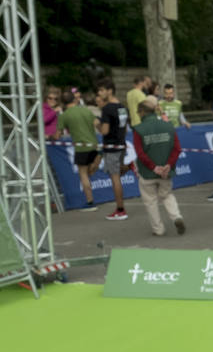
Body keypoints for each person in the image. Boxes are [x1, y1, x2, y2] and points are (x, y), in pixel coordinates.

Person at [130, 99, 185, 237]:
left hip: (147, 172)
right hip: (166, 172)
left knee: (150, 201)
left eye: (138, 111)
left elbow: (140, 153)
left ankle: (158, 229)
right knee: (167, 195)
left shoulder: (138, 129)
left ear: (142, 112)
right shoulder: (168, 126)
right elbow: (177, 149)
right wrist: (168, 165)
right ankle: (176, 217)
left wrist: (154, 167)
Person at [57, 89, 101, 210]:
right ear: (74, 98)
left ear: (63, 102)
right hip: (94, 145)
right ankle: (97, 161)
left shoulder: (64, 115)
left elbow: (58, 135)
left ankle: (90, 202)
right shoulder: (86, 110)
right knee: (90, 172)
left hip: (81, 148)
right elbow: (98, 124)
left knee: (83, 175)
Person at [95, 78, 130, 220]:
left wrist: (97, 123)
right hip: (121, 144)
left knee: (115, 178)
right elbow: (125, 128)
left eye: (102, 90)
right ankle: (120, 208)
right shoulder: (122, 107)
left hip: (111, 146)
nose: (99, 93)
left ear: (109, 91)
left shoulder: (107, 108)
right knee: (118, 175)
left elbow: (104, 131)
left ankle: (120, 209)